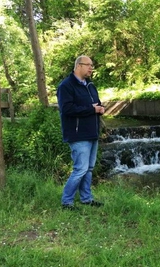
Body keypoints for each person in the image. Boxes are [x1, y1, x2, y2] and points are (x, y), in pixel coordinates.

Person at [57, 55, 105, 210]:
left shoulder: (90, 85)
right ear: (78, 66)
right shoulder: (66, 86)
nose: (91, 68)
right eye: (88, 65)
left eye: (92, 65)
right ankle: (66, 201)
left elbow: (95, 103)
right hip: (78, 134)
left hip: (92, 132)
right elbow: (67, 109)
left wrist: (100, 108)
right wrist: (92, 109)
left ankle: (86, 198)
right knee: (81, 169)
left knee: (89, 169)